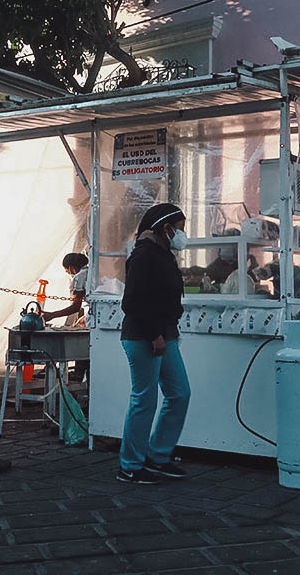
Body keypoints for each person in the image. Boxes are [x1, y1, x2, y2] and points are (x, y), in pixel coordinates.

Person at [118, 203, 191, 484]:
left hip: (165, 334)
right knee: (144, 399)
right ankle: (130, 465)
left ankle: (158, 456)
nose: (184, 234)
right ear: (166, 228)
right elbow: (133, 302)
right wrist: (155, 335)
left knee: (179, 393)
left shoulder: (163, 254)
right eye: (181, 228)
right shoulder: (144, 256)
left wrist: (166, 332)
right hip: (144, 336)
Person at [43, 252, 90, 382]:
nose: (68, 273)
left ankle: (78, 375)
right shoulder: (93, 272)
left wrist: (52, 315)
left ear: (72, 268)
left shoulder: (79, 277)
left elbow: (75, 306)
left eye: (66, 270)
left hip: (92, 320)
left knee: (82, 350)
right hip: (92, 317)